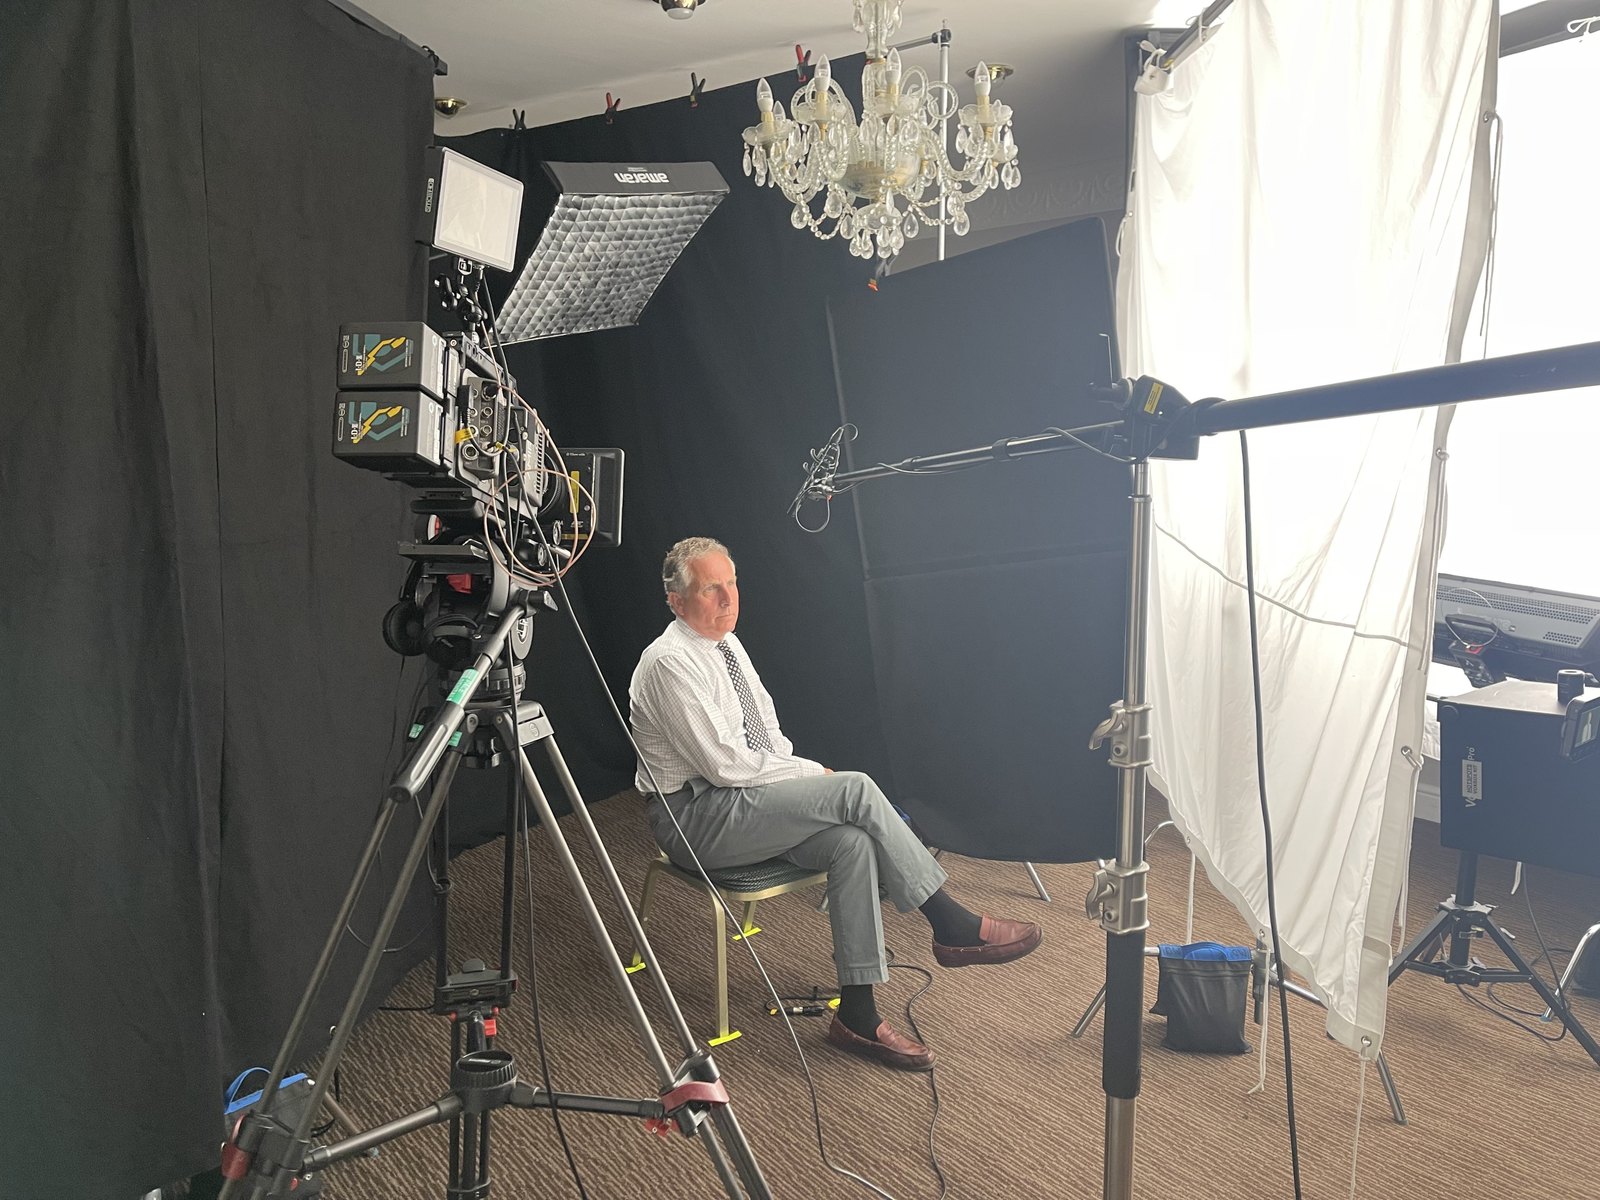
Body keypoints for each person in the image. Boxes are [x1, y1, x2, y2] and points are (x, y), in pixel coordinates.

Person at [629, 537, 1043, 1071]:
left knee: (850, 844)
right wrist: (812, 775)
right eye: (711, 589)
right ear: (676, 601)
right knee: (853, 787)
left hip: (744, 800)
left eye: (732, 583)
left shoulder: (728, 645)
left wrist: (795, 774)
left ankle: (858, 1013)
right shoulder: (667, 663)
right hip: (695, 818)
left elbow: (768, 740)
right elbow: (725, 765)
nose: (729, 599)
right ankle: (950, 923)